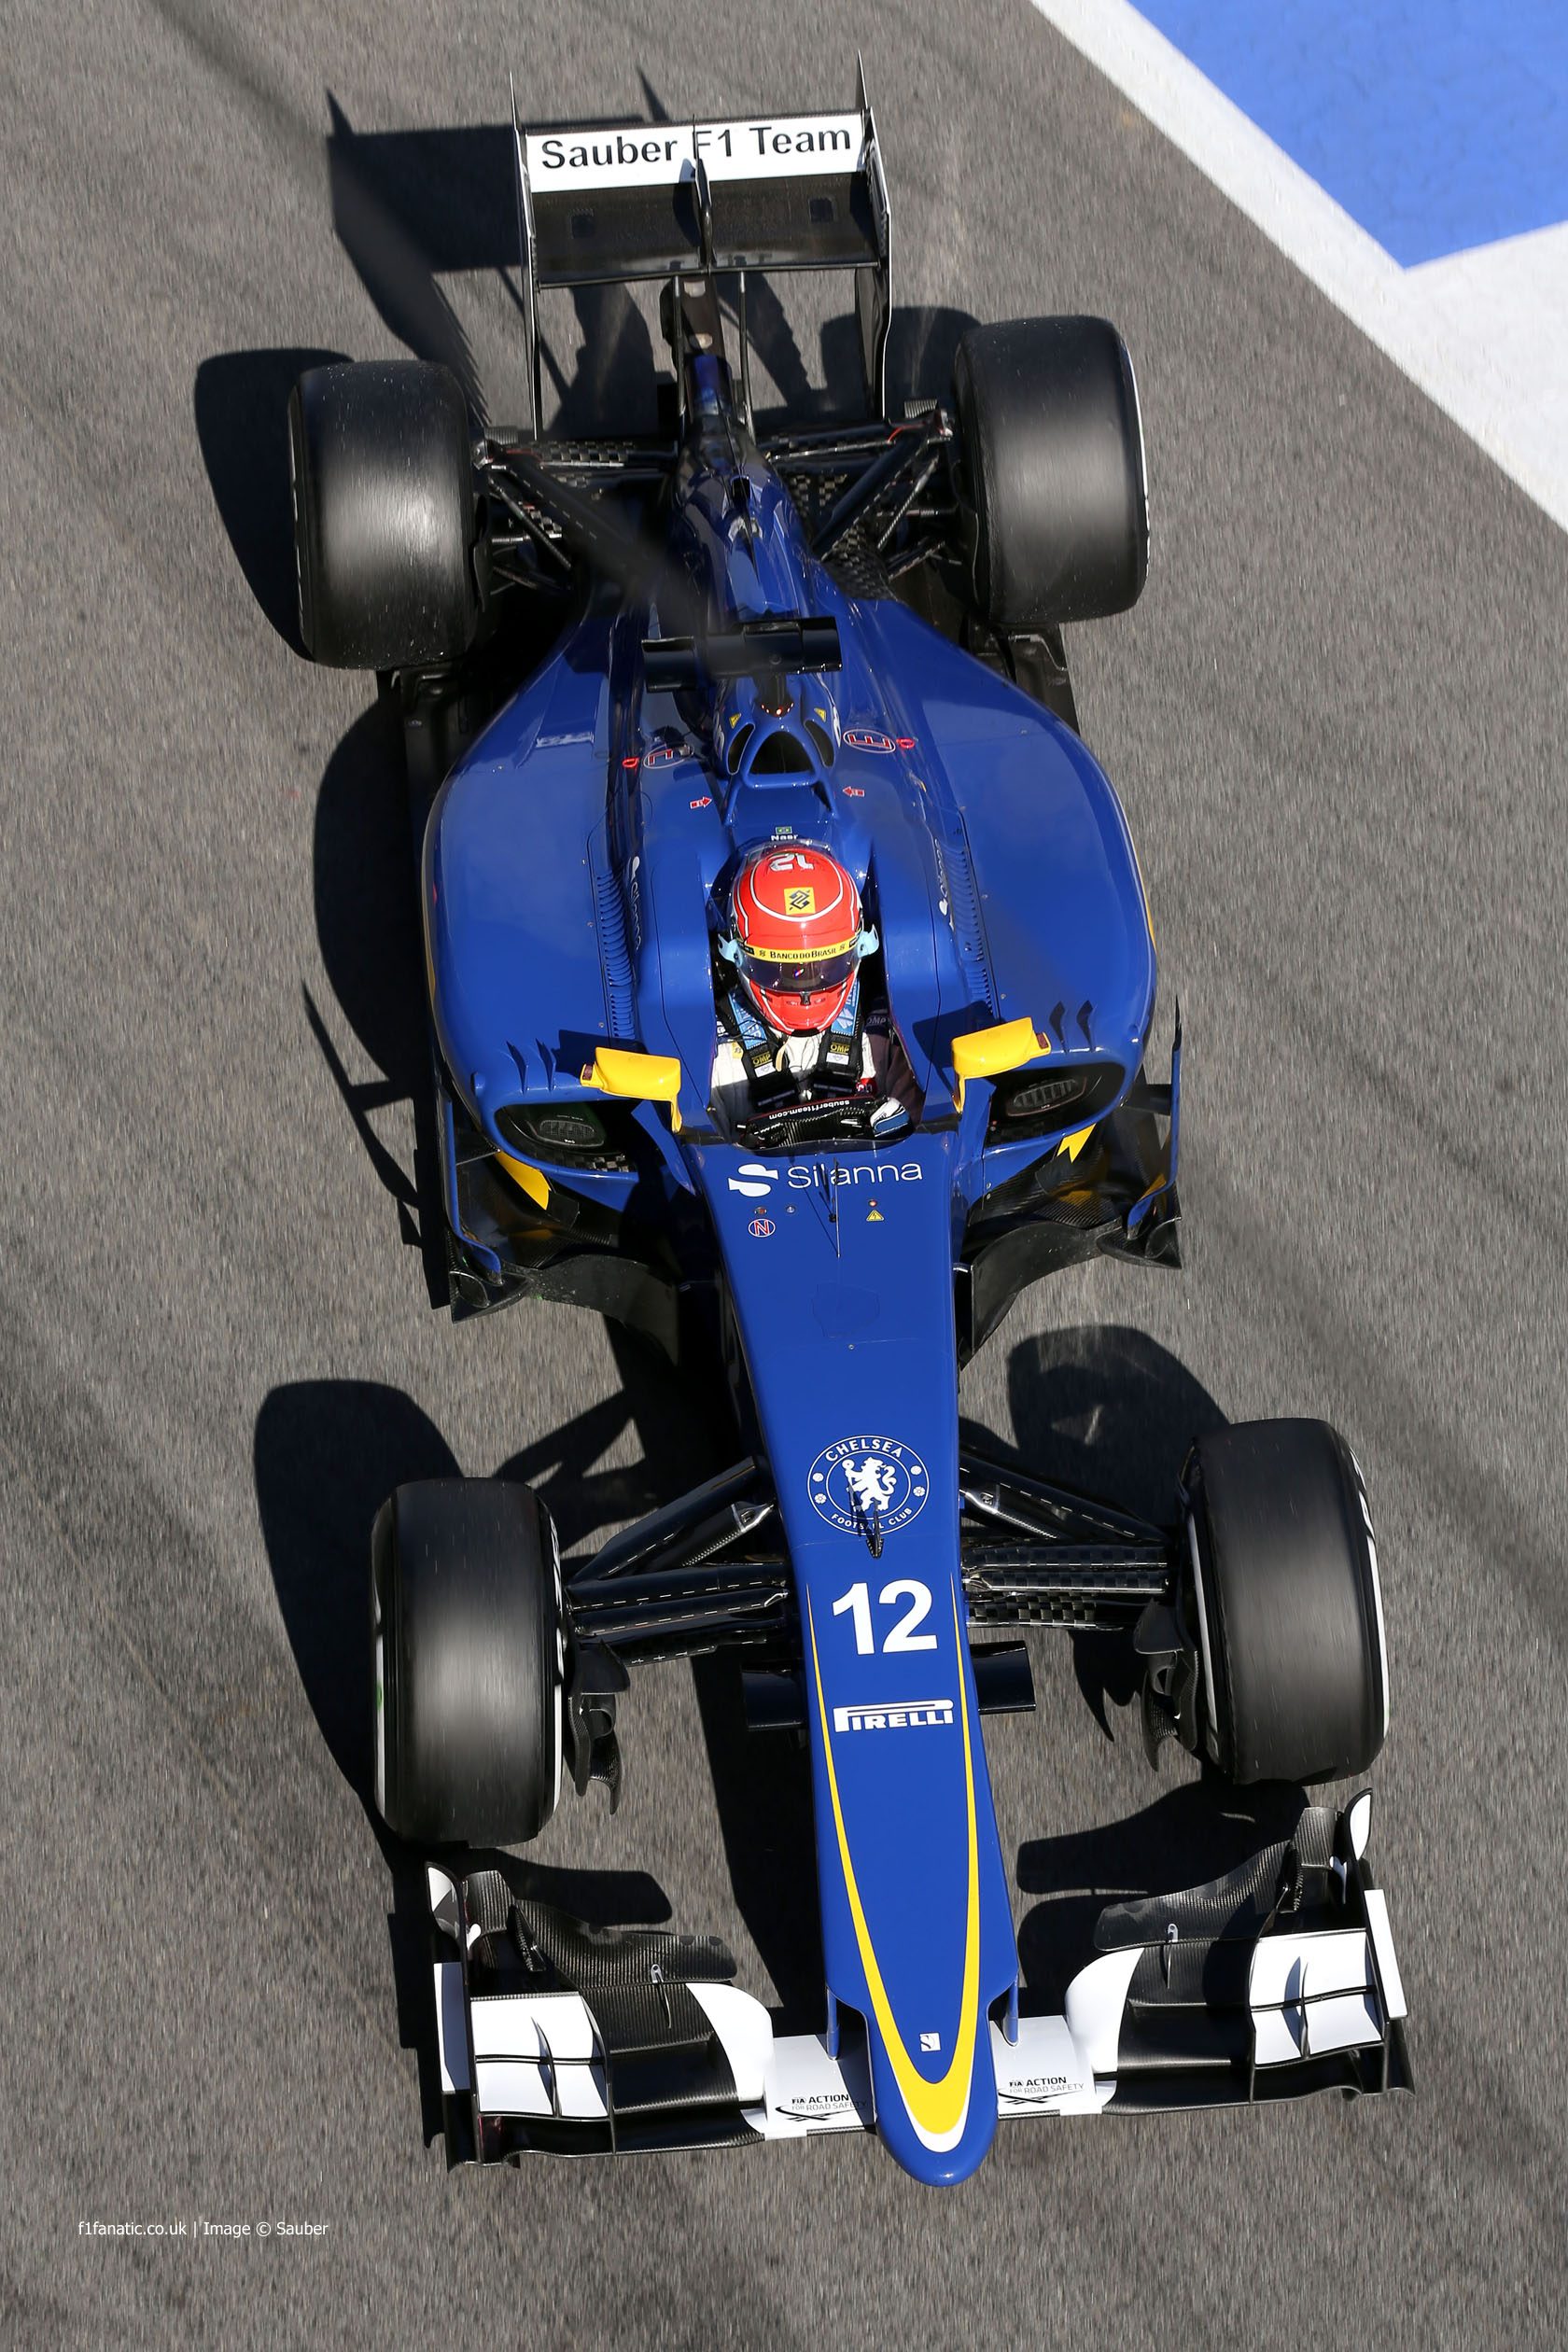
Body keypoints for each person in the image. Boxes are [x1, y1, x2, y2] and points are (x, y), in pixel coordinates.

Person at [712, 845, 912, 1139]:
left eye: (826, 965)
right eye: (785, 970)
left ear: (860, 948)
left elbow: (929, 1126)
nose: (806, 988)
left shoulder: (884, 1031)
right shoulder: (717, 1056)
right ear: (735, 954)